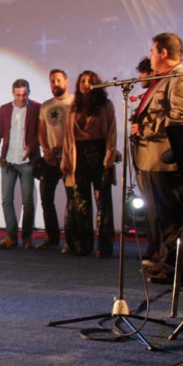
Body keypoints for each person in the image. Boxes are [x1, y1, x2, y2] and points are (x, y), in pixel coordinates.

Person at [131, 33, 183, 283]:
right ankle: (164, 262)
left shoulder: (182, 79)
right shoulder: (163, 79)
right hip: (151, 160)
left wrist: (146, 128)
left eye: (152, 51)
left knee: (172, 218)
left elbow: (182, 117)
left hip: (166, 161)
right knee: (160, 218)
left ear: (163, 53)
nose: (150, 56)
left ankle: (176, 270)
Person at [60, 70, 117, 257]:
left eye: (89, 81)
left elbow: (111, 133)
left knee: (103, 204)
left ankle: (104, 246)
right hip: (79, 158)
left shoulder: (105, 105)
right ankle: (83, 244)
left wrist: (109, 159)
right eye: (82, 81)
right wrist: (66, 161)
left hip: (99, 156)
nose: (85, 84)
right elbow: (68, 137)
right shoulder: (74, 106)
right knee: (81, 203)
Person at [0, 79, 42, 249]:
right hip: (8, 161)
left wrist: (31, 147)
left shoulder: (36, 108)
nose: (21, 98)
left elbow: (41, 134)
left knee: (28, 202)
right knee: (6, 200)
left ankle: (27, 238)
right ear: (13, 93)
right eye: (18, 95)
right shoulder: (4, 109)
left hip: (27, 161)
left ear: (29, 93)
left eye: (24, 94)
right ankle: (11, 237)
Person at [35, 69, 73, 249]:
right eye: (52, 81)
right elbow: (41, 131)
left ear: (66, 81)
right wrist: (46, 150)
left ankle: (72, 240)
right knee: (46, 198)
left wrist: (65, 148)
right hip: (50, 159)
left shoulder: (74, 103)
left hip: (70, 158)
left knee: (72, 200)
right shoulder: (45, 106)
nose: (55, 84)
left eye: (58, 80)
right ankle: (52, 238)